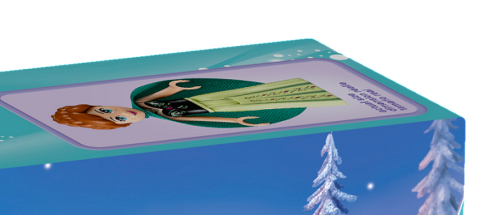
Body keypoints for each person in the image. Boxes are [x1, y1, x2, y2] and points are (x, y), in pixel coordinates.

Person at [52, 76, 344, 133]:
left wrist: (173, 88)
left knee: (255, 94)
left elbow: (165, 90)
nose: (120, 113)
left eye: (107, 110)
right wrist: (236, 121)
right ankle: (310, 95)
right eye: (117, 119)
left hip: (205, 99)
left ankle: (307, 88)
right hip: (216, 109)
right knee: (253, 101)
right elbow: (201, 120)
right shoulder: (167, 119)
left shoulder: (141, 101)